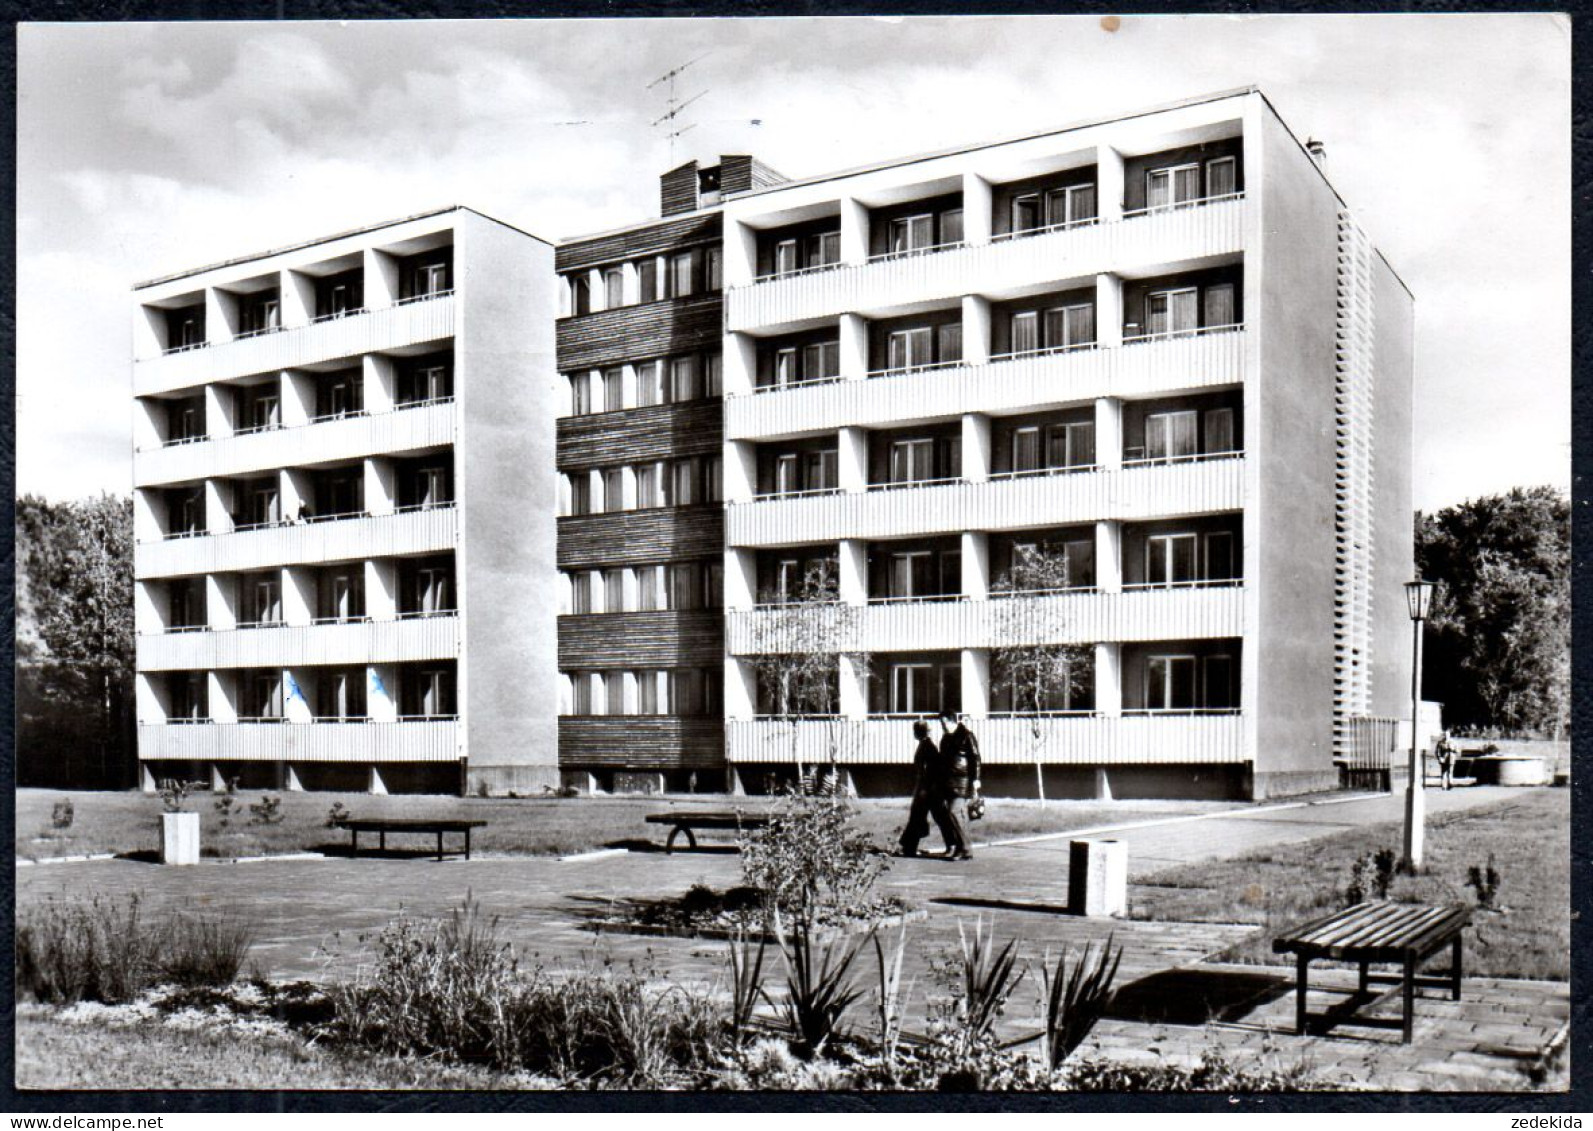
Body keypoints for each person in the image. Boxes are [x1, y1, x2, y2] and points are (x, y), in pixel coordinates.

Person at [896, 719, 950, 857]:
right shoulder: (927, 745)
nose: (914, 734)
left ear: (919, 732)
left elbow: (929, 770)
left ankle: (909, 847)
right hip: (928, 789)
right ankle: (909, 847)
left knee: (923, 817)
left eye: (915, 731)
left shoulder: (927, 747)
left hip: (927, 790)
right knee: (932, 817)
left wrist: (924, 789)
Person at [935, 711, 983, 861]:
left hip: (963, 781)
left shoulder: (967, 735)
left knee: (955, 812)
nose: (943, 727)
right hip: (948, 782)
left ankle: (965, 848)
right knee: (954, 816)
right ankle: (962, 849)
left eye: (945, 724)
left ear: (952, 721)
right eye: (941, 724)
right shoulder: (946, 738)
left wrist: (976, 779)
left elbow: (975, 758)